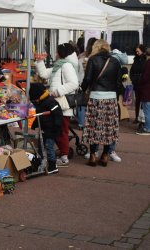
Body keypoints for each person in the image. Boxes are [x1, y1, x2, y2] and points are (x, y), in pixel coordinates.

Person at [35, 43, 79, 167]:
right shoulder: (59, 65)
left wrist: (58, 91)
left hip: (62, 105)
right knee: (57, 129)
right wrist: (40, 61)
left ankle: (64, 157)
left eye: (57, 52)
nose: (55, 54)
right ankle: (61, 154)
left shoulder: (66, 66)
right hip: (56, 105)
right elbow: (44, 74)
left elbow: (73, 83)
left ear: (61, 53)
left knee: (61, 130)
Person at [81, 39, 121, 167]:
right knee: (109, 128)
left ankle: (93, 156)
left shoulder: (93, 60)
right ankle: (105, 155)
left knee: (94, 126)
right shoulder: (115, 61)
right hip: (111, 98)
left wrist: (82, 89)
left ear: (96, 47)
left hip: (96, 97)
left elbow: (87, 79)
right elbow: (119, 83)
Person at [29, 83, 63, 174]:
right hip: (43, 128)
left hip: (51, 129)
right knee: (41, 145)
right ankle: (41, 162)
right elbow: (39, 116)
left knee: (49, 146)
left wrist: (57, 125)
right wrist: (34, 124)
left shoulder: (51, 102)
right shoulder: (39, 103)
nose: (34, 101)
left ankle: (53, 165)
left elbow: (58, 114)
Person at [130, 44, 147, 123]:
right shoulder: (135, 59)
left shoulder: (145, 59)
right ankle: (137, 117)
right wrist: (132, 78)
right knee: (137, 101)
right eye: (136, 51)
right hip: (136, 83)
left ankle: (143, 119)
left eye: (138, 51)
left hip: (143, 83)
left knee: (143, 101)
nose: (137, 53)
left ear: (142, 51)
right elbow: (132, 71)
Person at [136, 48, 150, 135]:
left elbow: (145, 77)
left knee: (147, 110)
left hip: (147, 90)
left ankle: (147, 128)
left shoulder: (148, 63)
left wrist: (139, 83)